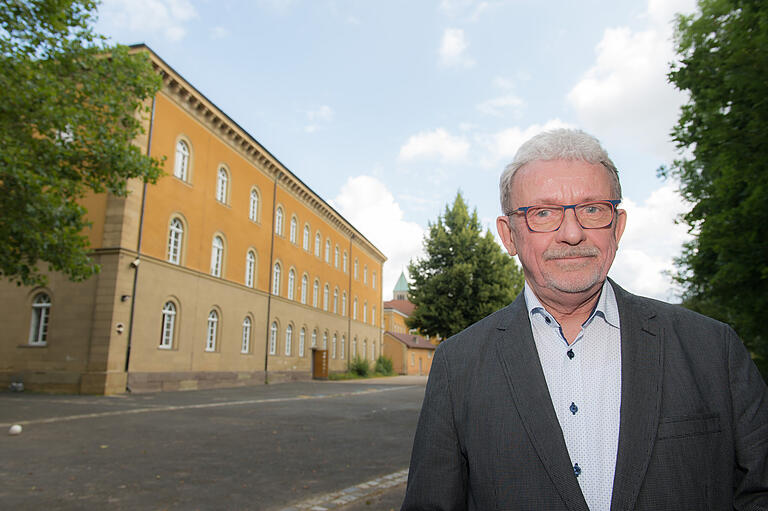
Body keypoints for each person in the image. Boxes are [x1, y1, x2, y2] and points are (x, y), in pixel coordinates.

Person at [401, 129, 768, 510]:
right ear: (509, 236)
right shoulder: (457, 365)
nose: (573, 233)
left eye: (592, 209)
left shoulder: (712, 349)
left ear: (617, 226)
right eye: (543, 213)